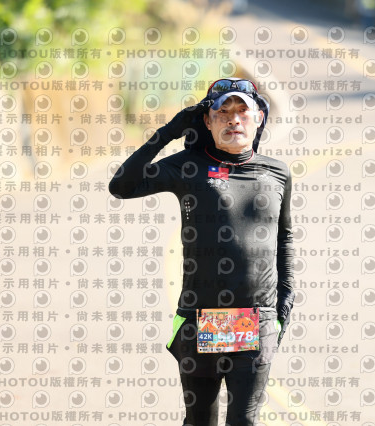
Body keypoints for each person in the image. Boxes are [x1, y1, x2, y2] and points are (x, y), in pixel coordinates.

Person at [108, 78, 295, 425]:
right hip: (201, 318)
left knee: (244, 420)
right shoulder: (189, 166)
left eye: (242, 112)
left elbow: (284, 237)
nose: (233, 120)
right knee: (199, 421)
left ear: (259, 118)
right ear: (207, 122)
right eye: (223, 113)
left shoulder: (277, 173)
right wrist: (167, 132)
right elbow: (121, 186)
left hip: (258, 318)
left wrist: (286, 297)